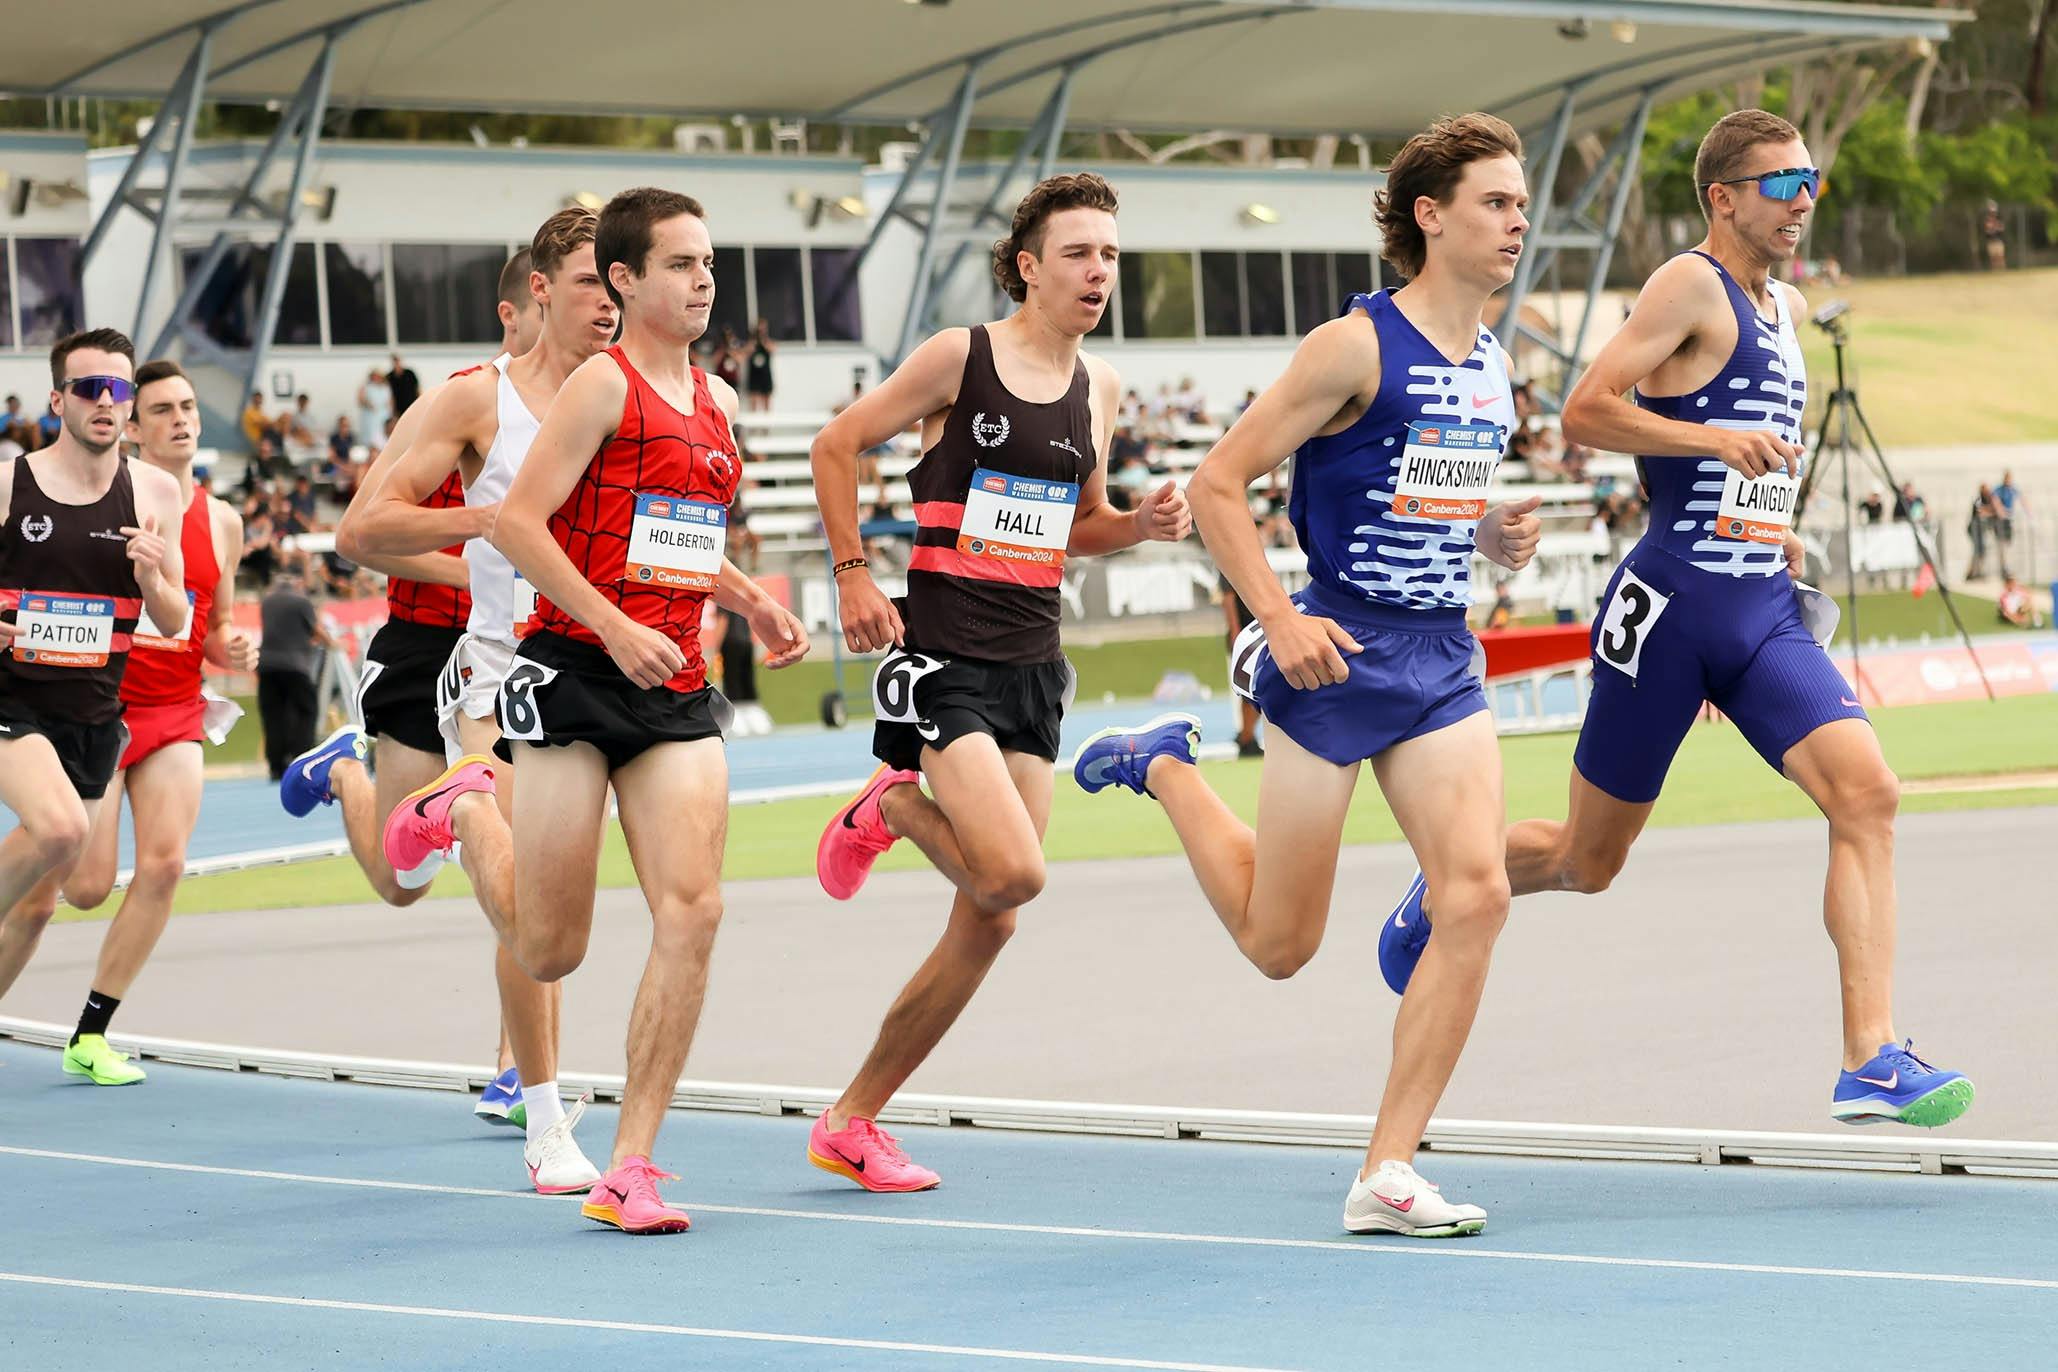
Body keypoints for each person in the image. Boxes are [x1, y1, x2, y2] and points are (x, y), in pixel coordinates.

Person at [1380, 109, 1973, 1134]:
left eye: (1811, 181)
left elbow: (1745, 467)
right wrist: (1711, 438)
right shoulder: (1687, 283)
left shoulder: (1783, 306)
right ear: (1724, 197)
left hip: (1759, 606)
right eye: (1780, 184)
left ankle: (1870, 1054)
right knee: (1585, 860)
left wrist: (1773, 528)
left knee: (1868, 794)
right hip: (1671, 609)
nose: (1801, 202)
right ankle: (1444, 888)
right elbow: (1585, 410)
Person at [1072, 118, 1540, 1237]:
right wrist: (1277, 618)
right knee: (1280, 944)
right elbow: (1221, 484)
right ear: (1431, 216)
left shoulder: (1496, 363)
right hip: (1332, 650)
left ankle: (1388, 1168)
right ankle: (1168, 767)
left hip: (1437, 654)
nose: (1518, 221)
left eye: (1524, 203)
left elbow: (1410, 493)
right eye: (1495, 202)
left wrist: (1486, 535)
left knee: (1476, 894)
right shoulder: (1353, 344)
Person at [381, 187, 808, 1234]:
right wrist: (611, 625)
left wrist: (747, 598)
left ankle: (632, 1164)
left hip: (670, 685)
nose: (704, 280)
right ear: (624, 279)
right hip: (571, 671)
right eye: (679, 264)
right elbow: (521, 526)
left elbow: (672, 536)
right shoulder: (598, 389)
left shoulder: (717, 402)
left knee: (694, 908)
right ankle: (468, 808)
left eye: (710, 262)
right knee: (550, 949)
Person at [808, 171, 1191, 1194]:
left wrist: (1141, 526)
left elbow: (1081, 525)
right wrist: (852, 574)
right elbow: (835, 443)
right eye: (1077, 252)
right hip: (944, 658)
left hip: (1034, 665)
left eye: (1110, 253)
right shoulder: (959, 359)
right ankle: (889, 797)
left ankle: (851, 1119)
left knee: (994, 913)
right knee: (1015, 873)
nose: (1097, 270)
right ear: (1028, 265)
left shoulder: (1099, 388)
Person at [347, 211, 617, 1189]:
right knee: (452, 891)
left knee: (571, 917)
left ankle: (441, 801)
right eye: (592, 282)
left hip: (606, 674)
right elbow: (363, 526)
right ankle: (546, 1121)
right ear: (540, 291)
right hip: (501, 680)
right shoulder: (477, 398)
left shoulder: (633, 398)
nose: (609, 304)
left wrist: (746, 593)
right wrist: (492, 524)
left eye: (619, 284)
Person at [299, 247, 547, 1122]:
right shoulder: (455, 403)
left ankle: (520, 1067)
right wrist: (488, 556)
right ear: (514, 312)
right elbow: (364, 534)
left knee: (516, 861)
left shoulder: (587, 404)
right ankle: (342, 771)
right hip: (418, 644)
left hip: (507, 657)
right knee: (402, 885)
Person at [0, 359, 255, 1083]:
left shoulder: (222, 521)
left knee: (167, 864)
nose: (181, 419)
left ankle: (90, 1033)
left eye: (188, 406)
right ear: (133, 428)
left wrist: (231, 642)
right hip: (97, 704)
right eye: (163, 409)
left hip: (173, 708)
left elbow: (210, 623)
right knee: (73, 887)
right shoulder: (102, 494)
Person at [0, 329, 189, 1007]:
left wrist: (152, 576)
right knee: (61, 828)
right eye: (89, 388)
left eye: (119, 389)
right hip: (10, 701)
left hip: (92, 713)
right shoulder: (9, 483)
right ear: (59, 399)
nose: (106, 401)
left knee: (43, 905)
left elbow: (175, 620)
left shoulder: (157, 494)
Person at [256, 570, 328, 779]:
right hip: (295, 665)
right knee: (307, 710)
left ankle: (275, 765)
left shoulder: (267, 602)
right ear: (297, 583)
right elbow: (315, 630)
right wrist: (333, 643)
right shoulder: (301, 602)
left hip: (267, 665)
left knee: (273, 716)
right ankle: (301, 759)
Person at [744, 317, 776, 412]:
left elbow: (772, 349)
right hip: (754, 375)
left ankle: (766, 426)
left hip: (765, 374)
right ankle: (754, 426)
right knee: (753, 402)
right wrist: (754, 341)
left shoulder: (767, 341)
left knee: (767, 403)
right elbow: (746, 352)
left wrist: (763, 340)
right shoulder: (752, 342)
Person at [388, 353, 421, 419]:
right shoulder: (390, 376)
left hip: (412, 403)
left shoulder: (409, 373)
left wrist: (420, 402)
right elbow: (390, 394)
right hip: (399, 407)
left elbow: (417, 388)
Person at [1981, 201, 2005, 272]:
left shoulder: (1999, 219)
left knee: (2000, 256)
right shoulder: (1987, 220)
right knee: (1993, 257)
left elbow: (2001, 229)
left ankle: (2002, 270)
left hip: (1998, 240)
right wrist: (1993, 228)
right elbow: (1987, 231)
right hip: (1991, 241)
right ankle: (1994, 271)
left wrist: (1995, 228)